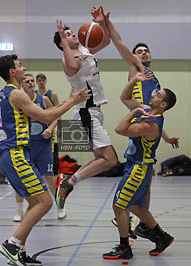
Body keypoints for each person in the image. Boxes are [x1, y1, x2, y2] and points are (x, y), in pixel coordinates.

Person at [0, 54, 90, 266]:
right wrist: (73, 101)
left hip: (11, 153)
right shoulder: (17, 94)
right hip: (15, 153)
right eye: (20, 66)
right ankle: (12, 244)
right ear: (12, 72)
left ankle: (18, 248)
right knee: (46, 201)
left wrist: (68, 100)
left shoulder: (5, 93)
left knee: (36, 203)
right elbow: (47, 117)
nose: (24, 68)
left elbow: (47, 111)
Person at [99, 5, 179, 240]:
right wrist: (106, 24)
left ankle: (141, 221)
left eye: (146, 51)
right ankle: (134, 220)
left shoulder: (153, 81)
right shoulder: (139, 71)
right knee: (135, 190)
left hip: (147, 136)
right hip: (139, 136)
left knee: (145, 187)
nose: (144, 53)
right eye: (140, 52)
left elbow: (155, 117)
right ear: (135, 58)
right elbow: (121, 44)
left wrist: (166, 136)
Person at [103, 73, 176, 259]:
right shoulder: (148, 111)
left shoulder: (150, 124)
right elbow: (124, 97)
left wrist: (134, 113)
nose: (153, 94)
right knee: (136, 206)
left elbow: (120, 129)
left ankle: (124, 247)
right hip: (137, 166)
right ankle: (162, 237)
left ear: (163, 105)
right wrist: (135, 80)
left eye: (158, 95)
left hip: (138, 169)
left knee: (119, 206)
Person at [53, 7, 118, 211]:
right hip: (84, 113)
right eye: (69, 34)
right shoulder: (67, 59)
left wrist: (102, 23)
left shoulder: (84, 51)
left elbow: (105, 41)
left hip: (95, 112)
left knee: (101, 159)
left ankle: (67, 179)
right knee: (110, 160)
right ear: (63, 43)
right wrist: (63, 40)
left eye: (72, 33)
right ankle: (67, 183)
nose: (73, 35)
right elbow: (73, 67)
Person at [12, 73, 66, 222]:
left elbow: (56, 116)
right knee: (21, 178)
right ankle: (18, 210)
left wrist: (50, 129)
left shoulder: (43, 99)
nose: (30, 83)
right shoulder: (18, 100)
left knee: (48, 177)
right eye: (27, 81)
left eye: (31, 81)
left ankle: (60, 206)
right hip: (26, 145)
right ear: (22, 85)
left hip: (43, 145)